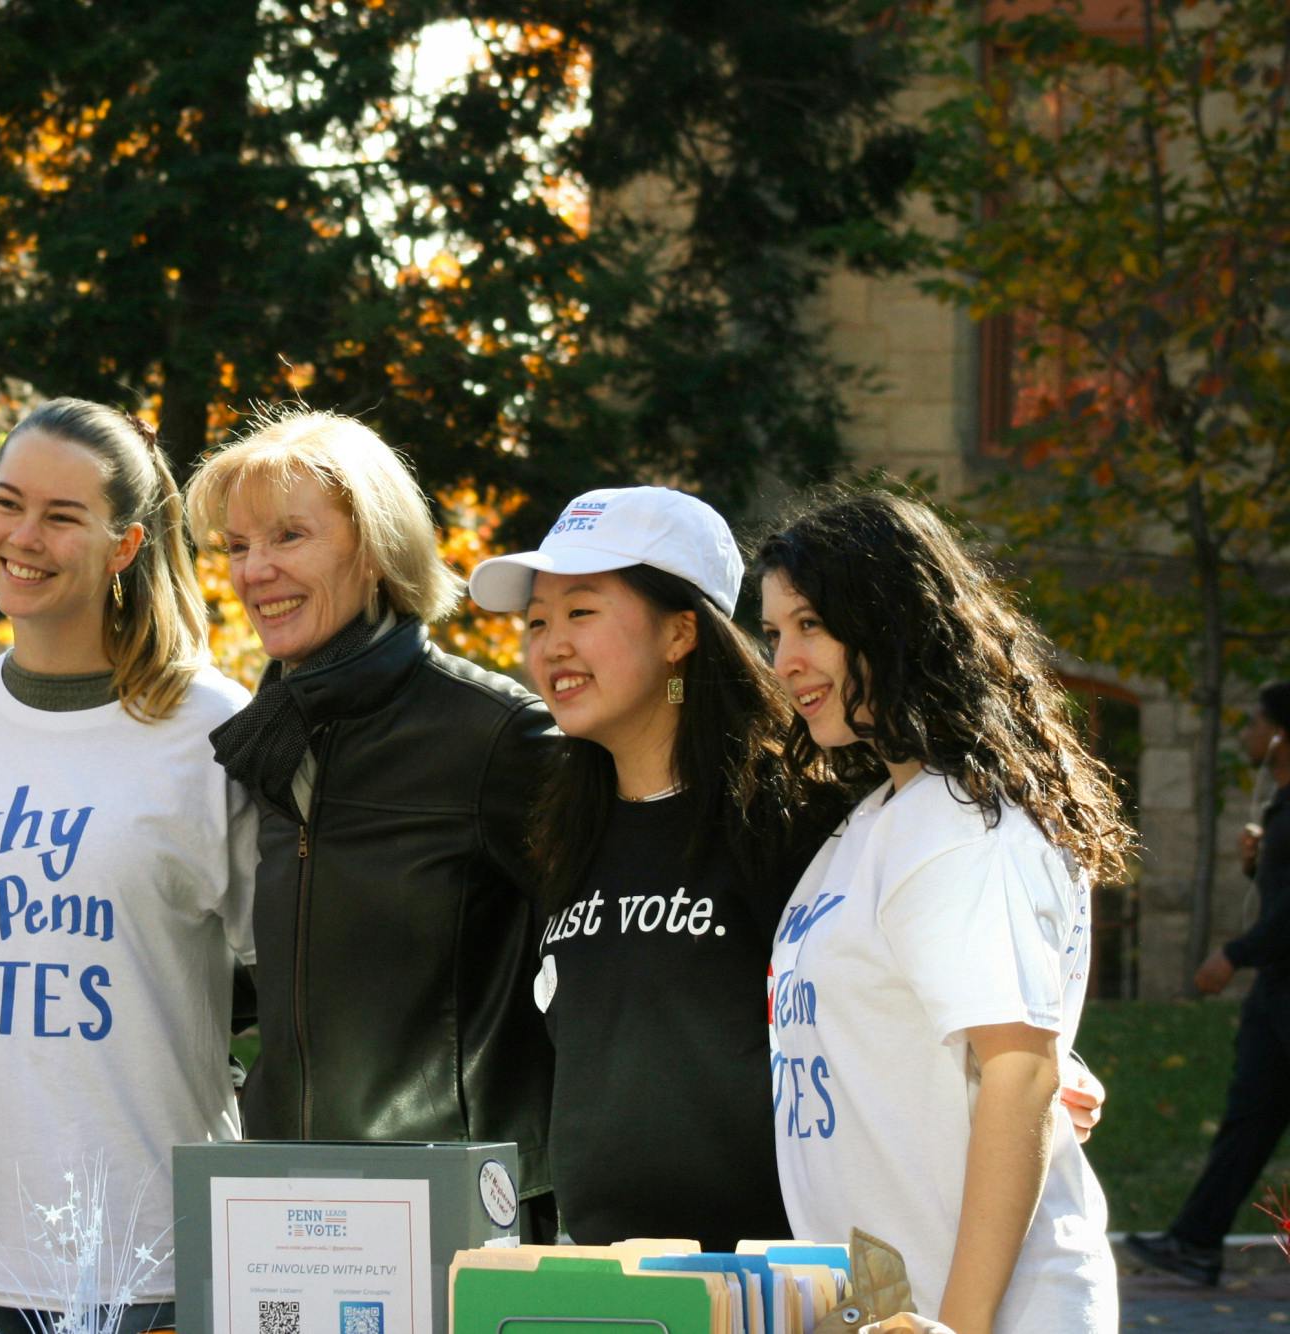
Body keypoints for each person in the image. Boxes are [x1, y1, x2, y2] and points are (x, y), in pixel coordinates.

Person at [0, 398, 256, 1334]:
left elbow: (289, 969)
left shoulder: (210, 727)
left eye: (62, 516)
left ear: (123, 545)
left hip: (149, 1255)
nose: (21, 537)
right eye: (5, 502)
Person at [756, 492, 1130, 1333]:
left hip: (989, 1314)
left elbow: (1020, 1070)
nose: (784, 659)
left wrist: (956, 1329)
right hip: (892, 1306)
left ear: (890, 618)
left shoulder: (959, 822)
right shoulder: (882, 819)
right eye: (776, 632)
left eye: (811, 624)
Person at [184, 409, 557, 1231]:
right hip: (291, 1212)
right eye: (239, 546)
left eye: (288, 536)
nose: (255, 571)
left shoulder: (497, 735)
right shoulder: (267, 735)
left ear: (377, 546)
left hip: (456, 1214)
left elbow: (608, 971)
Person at [467, 486, 847, 1249]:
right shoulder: (561, 834)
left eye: (581, 612)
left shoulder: (791, 821)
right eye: (536, 622)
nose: (550, 646)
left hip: (770, 1283)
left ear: (679, 634)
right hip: (608, 1284)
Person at [1126, 681, 1290, 1287]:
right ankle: (1195, 1243)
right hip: (1275, 997)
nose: (1246, 734)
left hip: (1278, 983)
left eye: (1256, 723)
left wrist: (1233, 954)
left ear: (1279, 733)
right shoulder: (1281, 804)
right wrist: (1259, 859)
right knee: (1246, 1122)